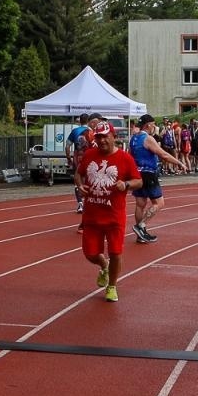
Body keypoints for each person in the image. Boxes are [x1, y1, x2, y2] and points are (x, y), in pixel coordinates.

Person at [74, 124, 141, 302]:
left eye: (105, 136)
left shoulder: (125, 158)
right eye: (98, 137)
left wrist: (125, 185)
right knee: (90, 254)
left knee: (116, 253)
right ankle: (104, 265)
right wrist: (80, 186)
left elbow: (138, 181)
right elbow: (78, 174)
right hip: (92, 215)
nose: (102, 140)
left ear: (113, 136)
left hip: (114, 216)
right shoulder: (89, 155)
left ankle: (112, 286)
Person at [128, 113, 184, 243]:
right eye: (153, 124)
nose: (154, 127)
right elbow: (163, 154)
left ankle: (140, 235)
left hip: (137, 173)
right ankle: (140, 226)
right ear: (148, 125)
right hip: (148, 174)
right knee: (159, 203)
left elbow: (130, 156)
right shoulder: (147, 138)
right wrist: (179, 163)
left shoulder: (133, 139)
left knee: (140, 204)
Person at [66, 113, 95, 213]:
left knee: (77, 181)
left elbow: (67, 146)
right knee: (89, 181)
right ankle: (89, 203)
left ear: (80, 121)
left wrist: (68, 157)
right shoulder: (91, 132)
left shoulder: (74, 131)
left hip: (77, 158)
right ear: (88, 121)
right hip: (89, 159)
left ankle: (80, 204)